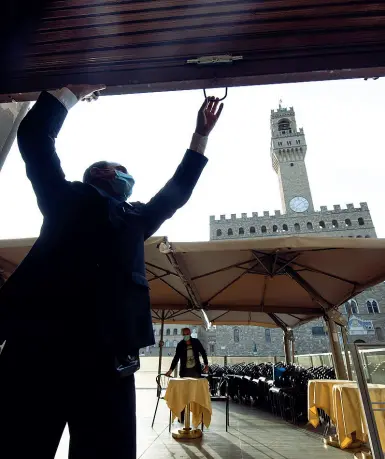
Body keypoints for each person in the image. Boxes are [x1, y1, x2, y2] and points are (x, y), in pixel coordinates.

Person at [0, 85, 223, 459]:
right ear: (102, 174)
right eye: (123, 171)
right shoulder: (65, 197)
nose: (128, 177)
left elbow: (177, 192)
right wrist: (70, 91)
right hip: (39, 353)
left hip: (107, 362)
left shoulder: (135, 218)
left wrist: (200, 136)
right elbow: (35, 137)